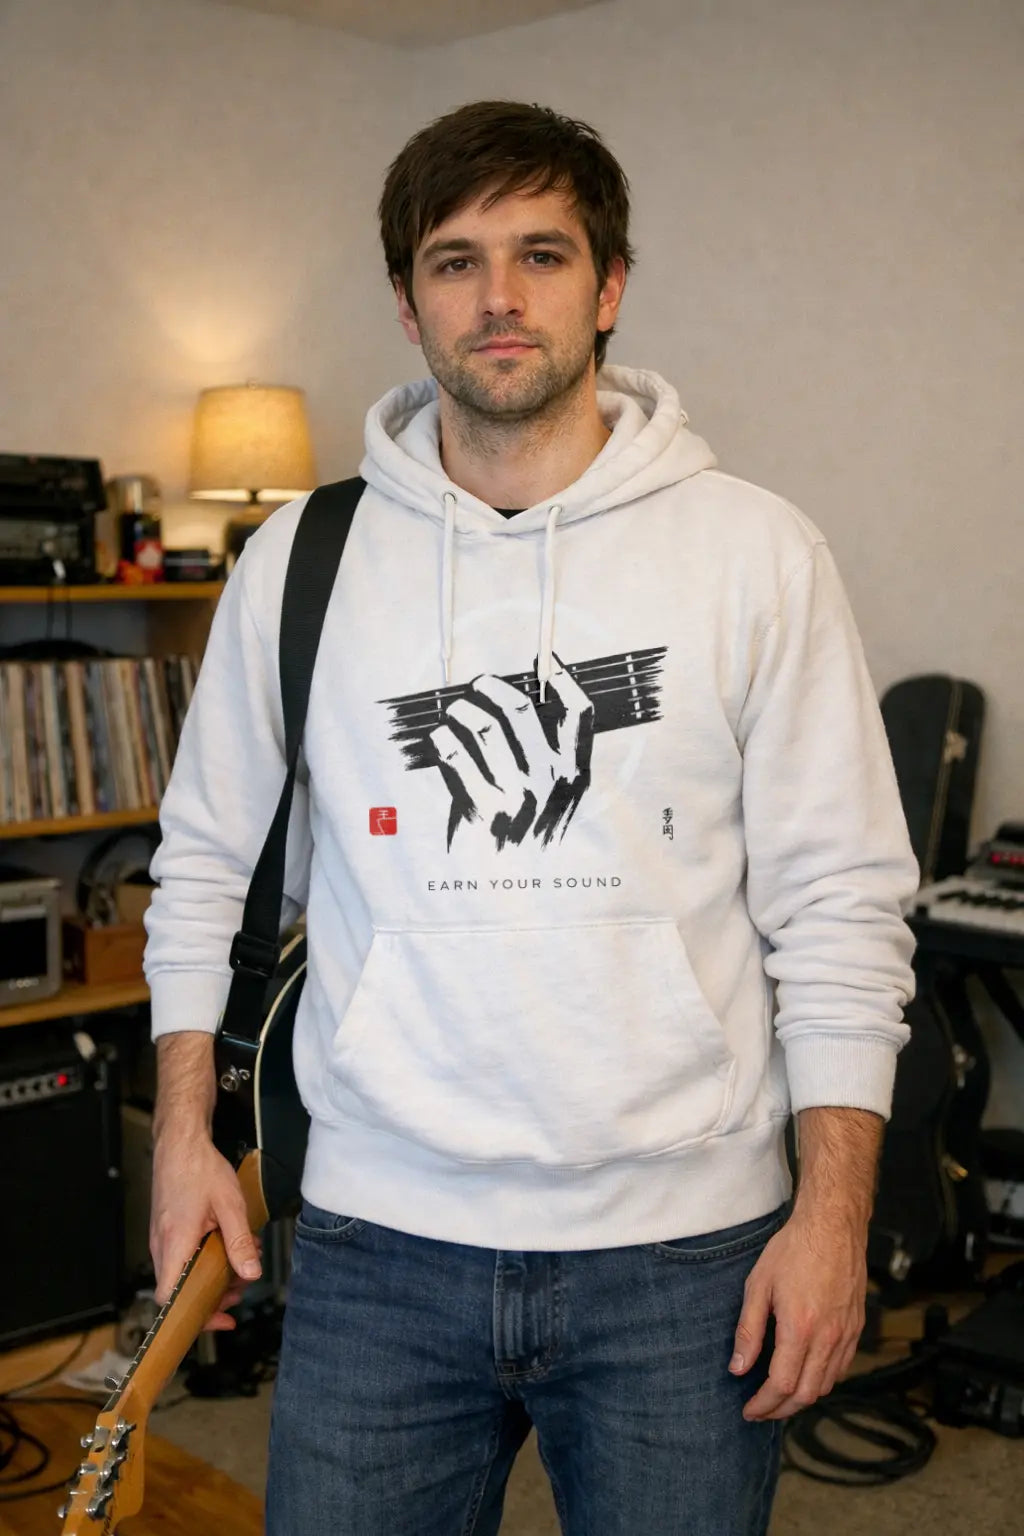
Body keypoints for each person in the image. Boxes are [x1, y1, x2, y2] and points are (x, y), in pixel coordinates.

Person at [145, 100, 918, 1535]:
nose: (499, 297)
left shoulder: (756, 554)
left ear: (609, 287)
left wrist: (833, 1216)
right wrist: (183, 1134)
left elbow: (840, 912)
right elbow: (205, 871)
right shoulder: (299, 563)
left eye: (542, 255)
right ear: (408, 303)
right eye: (456, 261)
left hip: (687, 1258)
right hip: (377, 1248)